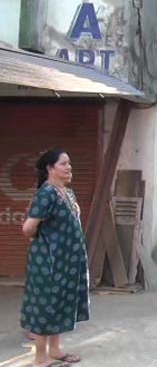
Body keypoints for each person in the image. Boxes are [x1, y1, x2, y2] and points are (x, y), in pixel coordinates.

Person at [21, 149, 89, 367]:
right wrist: (46, 244)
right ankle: (40, 358)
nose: (69, 167)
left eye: (69, 163)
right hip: (48, 261)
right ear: (50, 168)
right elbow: (28, 228)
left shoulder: (67, 193)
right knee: (45, 305)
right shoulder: (46, 193)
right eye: (63, 164)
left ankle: (55, 350)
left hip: (67, 262)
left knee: (59, 303)